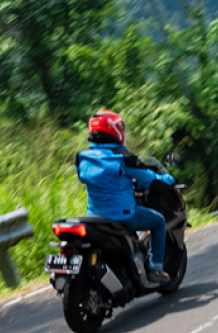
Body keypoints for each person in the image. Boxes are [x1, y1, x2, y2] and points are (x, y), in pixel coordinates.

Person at [75, 109, 175, 284]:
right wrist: (168, 179)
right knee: (159, 221)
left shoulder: (83, 158)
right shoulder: (123, 157)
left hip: (94, 217)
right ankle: (155, 268)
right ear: (114, 130)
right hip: (123, 215)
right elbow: (148, 180)